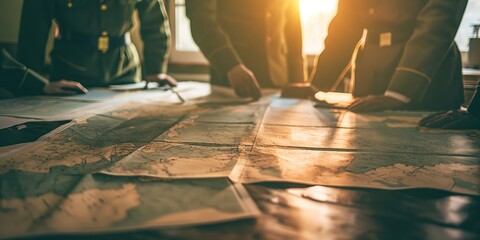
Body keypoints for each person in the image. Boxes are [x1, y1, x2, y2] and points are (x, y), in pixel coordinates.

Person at [306, 0, 468, 112]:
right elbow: (347, 22)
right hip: (369, 74)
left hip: (426, 78)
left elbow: (440, 16)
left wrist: (401, 90)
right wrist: (317, 85)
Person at [17, 0, 176, 95]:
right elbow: (33, 30)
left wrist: (156, 70)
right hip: (69, 74)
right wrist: (36, 83)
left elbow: (155, 24)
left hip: (126, 72)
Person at [185, 0, 307, 100]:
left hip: (280, 81)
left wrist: (299, 81)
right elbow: (200, 16)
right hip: (233, 83)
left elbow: (293, 27)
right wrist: (230, 64)